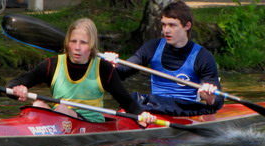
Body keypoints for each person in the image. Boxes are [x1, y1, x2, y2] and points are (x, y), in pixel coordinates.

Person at [9, 18, 156, 126]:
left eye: (83, 43)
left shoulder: (102, 68)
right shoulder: (51, 65)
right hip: (59, 122)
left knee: (61, 108)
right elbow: (13, 84)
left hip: (90, 124)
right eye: (73, 41)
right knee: (37, 105)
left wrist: (142, 116)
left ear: (92, 46)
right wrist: (18, 89)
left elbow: (127, 102)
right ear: (67, 42)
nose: (77, 47)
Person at [103, 1, 224, 116]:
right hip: (154, 108)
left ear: (187, 26)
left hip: (185, 110)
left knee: (139, 100)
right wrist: (108, 66)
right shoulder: (153, 47)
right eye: (164, 25)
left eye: (172, 25)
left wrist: (210, 98)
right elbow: (122, 72)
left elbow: (218, 102)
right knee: (133, 98)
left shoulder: (203, 57)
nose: (166, 30)